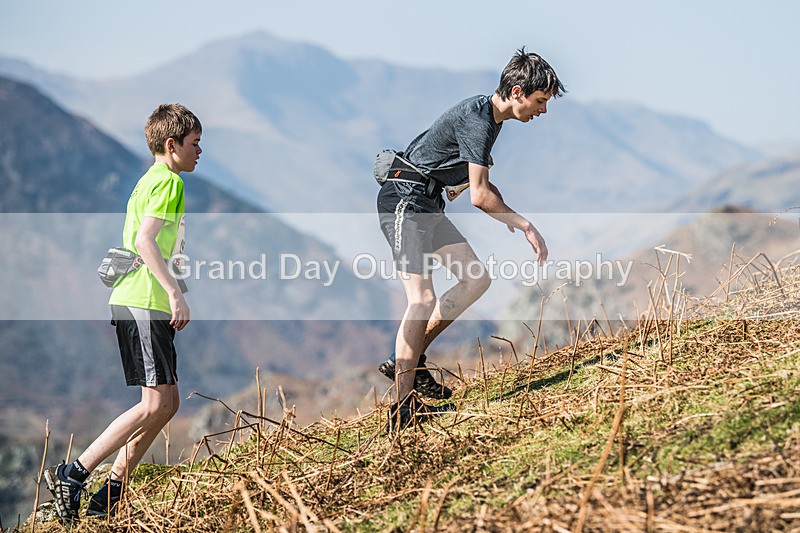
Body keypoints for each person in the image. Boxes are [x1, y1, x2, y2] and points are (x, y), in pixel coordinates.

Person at [377, 48, 565, 431]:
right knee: (421, 299)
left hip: (426, 202)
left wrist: (505, 210)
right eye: (540, 100)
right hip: (405, 200)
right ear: (517, 92)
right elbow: (479, 196)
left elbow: (481, 185)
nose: (544, 110)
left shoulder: (489, 119)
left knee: (476, 279)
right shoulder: (479, 120)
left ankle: (412, 359)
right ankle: (402, 409)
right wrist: (524, 225)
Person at [43, 103, 202, 523]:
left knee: (167, 404)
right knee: (154, 404)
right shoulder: (169, 181)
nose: (199, 151)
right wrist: (175, 294)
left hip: (139, 299)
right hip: (144, 300)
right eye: (195, 143)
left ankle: (111, 493)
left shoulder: (147, 180)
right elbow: (146, 242)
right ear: (172, 145)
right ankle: (74, 473)